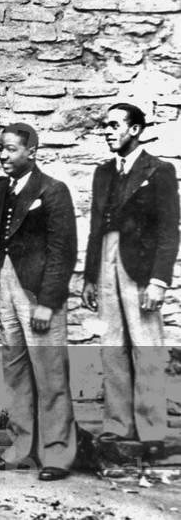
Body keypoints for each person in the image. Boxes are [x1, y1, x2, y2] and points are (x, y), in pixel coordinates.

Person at [81, 103, 179, 462]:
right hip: (106, 262)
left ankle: (151, 431)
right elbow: (95, 227)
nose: (108, 132)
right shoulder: (103, 172)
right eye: (105, 126)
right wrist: (90, 277)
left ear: (135, 130)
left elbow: (169, 230)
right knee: (112, 347)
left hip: (140, 267)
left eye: (115, 125)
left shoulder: (159, 170)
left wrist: (159, 280)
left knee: (146, 347)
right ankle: (118, 425)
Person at [0, 123, 77, 481]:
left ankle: (57, 453)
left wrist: (48, 302)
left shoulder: (53, 190)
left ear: (32, 152)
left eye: (11, 149)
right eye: (0, 149)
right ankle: (21, 450)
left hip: (37, 292)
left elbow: (62, 251)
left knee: (50, 374)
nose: (3, 155)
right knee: (16, 372)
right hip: (5, 286)